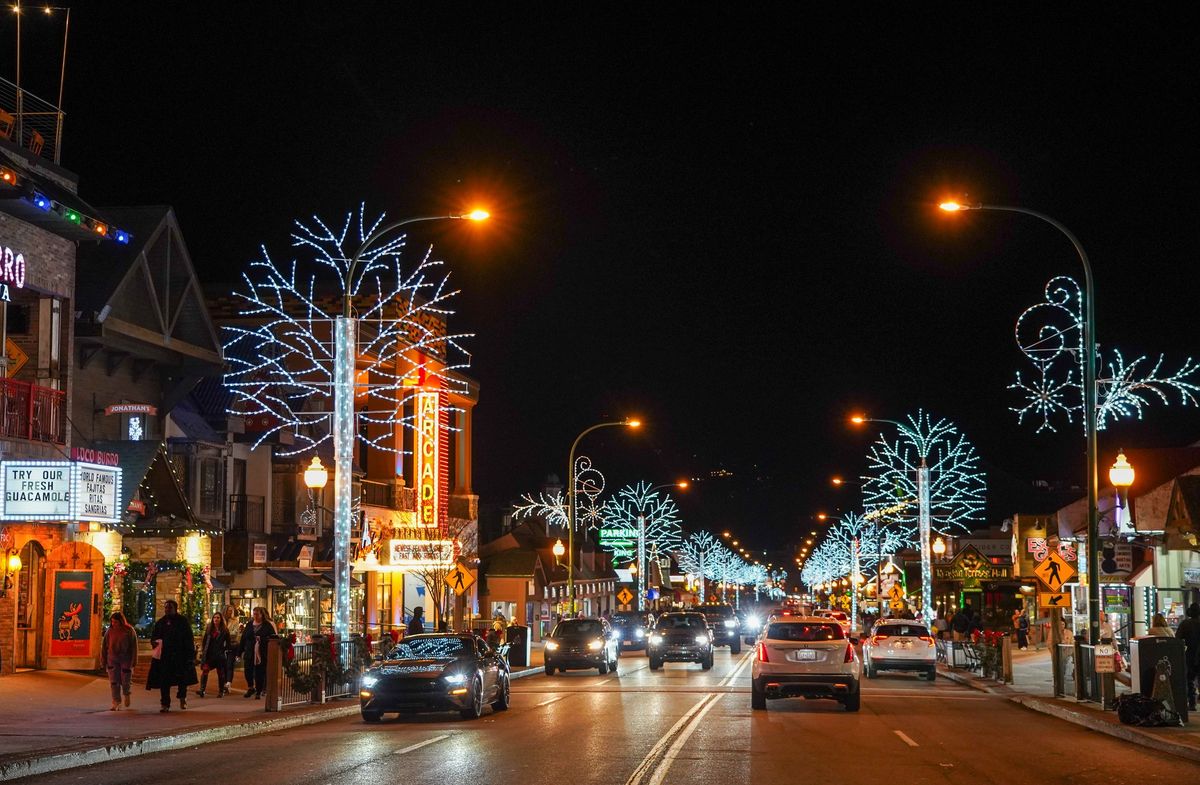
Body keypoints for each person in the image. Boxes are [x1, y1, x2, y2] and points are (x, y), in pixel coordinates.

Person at [146, 600, 198, 713]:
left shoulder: (182, 622)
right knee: (164, 681)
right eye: (166, 608)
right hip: (165, 657)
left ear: (175, 608)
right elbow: (154, 636)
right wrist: (154, 642)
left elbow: (189, 638)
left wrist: (190, 654)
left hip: (180, 656)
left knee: (182, 680)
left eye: (170, 608)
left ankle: (182, 697)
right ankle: (165, 703)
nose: (167, 610)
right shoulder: (161, 623)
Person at [102, 611, 138, 711]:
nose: (114, 624)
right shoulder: (109, 631)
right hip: (112, 659)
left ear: (121, 621)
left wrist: (134, 660)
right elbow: (104, 646)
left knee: (126, 680)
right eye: (112, 622)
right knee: (114, 682)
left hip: (125, 659)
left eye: (116, 622)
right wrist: (103, 660)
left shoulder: (129, 630)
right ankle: (116, 701)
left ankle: (126, 693)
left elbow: (134, 646)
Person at [239, 606, 277, 699]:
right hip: (249, 651)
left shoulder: (267, 625)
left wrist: (262, 639)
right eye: (254, 614)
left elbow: (272, 637)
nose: (255, 616)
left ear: (261, 615)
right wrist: (239, 651)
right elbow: (243, 638)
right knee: (248, 670)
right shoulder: (249, 624)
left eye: (257, 614)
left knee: (260, 672)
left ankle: (258, 691)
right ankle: (250, 687)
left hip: (261, 652)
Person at [198, 612, 231, 698]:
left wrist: (224, 650)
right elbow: (205, 640)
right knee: (205, 671)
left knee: (220, 673)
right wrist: (203, 650)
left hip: (219, 655)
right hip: (209, 655)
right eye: (214, 618)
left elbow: (228, 643)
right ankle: (202, 690)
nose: (216, 619)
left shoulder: (224, 630)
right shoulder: (209, 629)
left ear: (221, 619)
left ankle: (221, 691)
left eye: (218, 618)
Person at [1174, 603, 1200, 711]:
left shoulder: (1185, 624)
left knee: (1190, 679)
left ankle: (1192, 703)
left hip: (1190, 654)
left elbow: (1178, 638)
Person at [223, 604, 242, 694]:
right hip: (221, 646)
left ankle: (228, 683)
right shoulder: (221, 620)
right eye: (229, 610)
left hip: (232, 645)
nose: (230, 612)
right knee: (223, 665)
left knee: (229, 664)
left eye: (232, 611)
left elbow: (235, 633)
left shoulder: (235, 621)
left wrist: (224, 634)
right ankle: (223, 683)